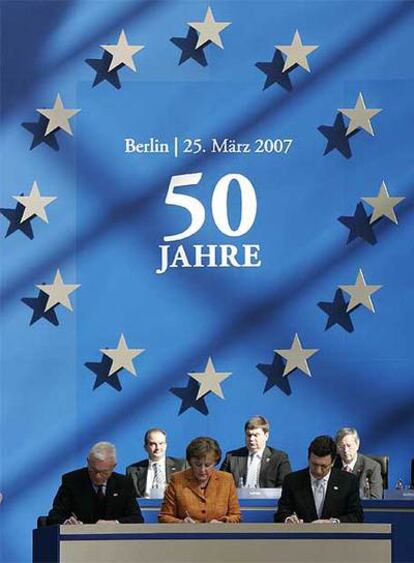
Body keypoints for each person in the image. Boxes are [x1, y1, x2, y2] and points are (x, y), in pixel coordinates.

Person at [47, 442, 143, 525]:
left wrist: (114, 523)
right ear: (88, 462)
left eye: (104, 472)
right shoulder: (72, 481)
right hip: (79, 541)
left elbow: (137, 519)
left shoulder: (124, 484)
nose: (97, 476)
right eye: (93, 470)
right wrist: (66, 522)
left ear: (113, 466)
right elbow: (54, 516)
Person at [274, 435, 363, 523]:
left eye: (323, 466)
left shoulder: (348, 481)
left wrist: (334, 523)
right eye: (314, 464)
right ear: (308, 459)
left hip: (335, 536)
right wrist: (288, 519)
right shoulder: (292, 481)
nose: (318, 471)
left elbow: (356, 516)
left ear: (333, 462)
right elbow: (281, 514)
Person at [158, 436, 241, 523]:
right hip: (187, 535)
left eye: (207, 465)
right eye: (197, 464)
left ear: (215, 463)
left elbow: (236, 516)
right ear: (190, 462)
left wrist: (222, 522)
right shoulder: (177, 480)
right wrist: (181, 523)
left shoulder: (226, 480)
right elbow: (164, 516)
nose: (202, 470)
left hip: (218, 535)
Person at [220, 415, 291, 488]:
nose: (251, 439)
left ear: (266, 436)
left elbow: (285, 486)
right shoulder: (232, 457)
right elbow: (220, 484)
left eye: (256, 435)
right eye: (249, 435)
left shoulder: (279, 458)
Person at [126, 427, 187, 497]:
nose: (158, 448)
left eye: (161, 443)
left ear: (166, 445)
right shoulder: (132, 471)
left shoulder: (181, 466)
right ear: (145, 447)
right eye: (153, 444)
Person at [334, 427, 383, 499]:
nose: (345, 450)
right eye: (341, 446)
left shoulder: (372, 467)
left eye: (349, 446)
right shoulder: (331, 466)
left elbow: (376, 498)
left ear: (357, 445)